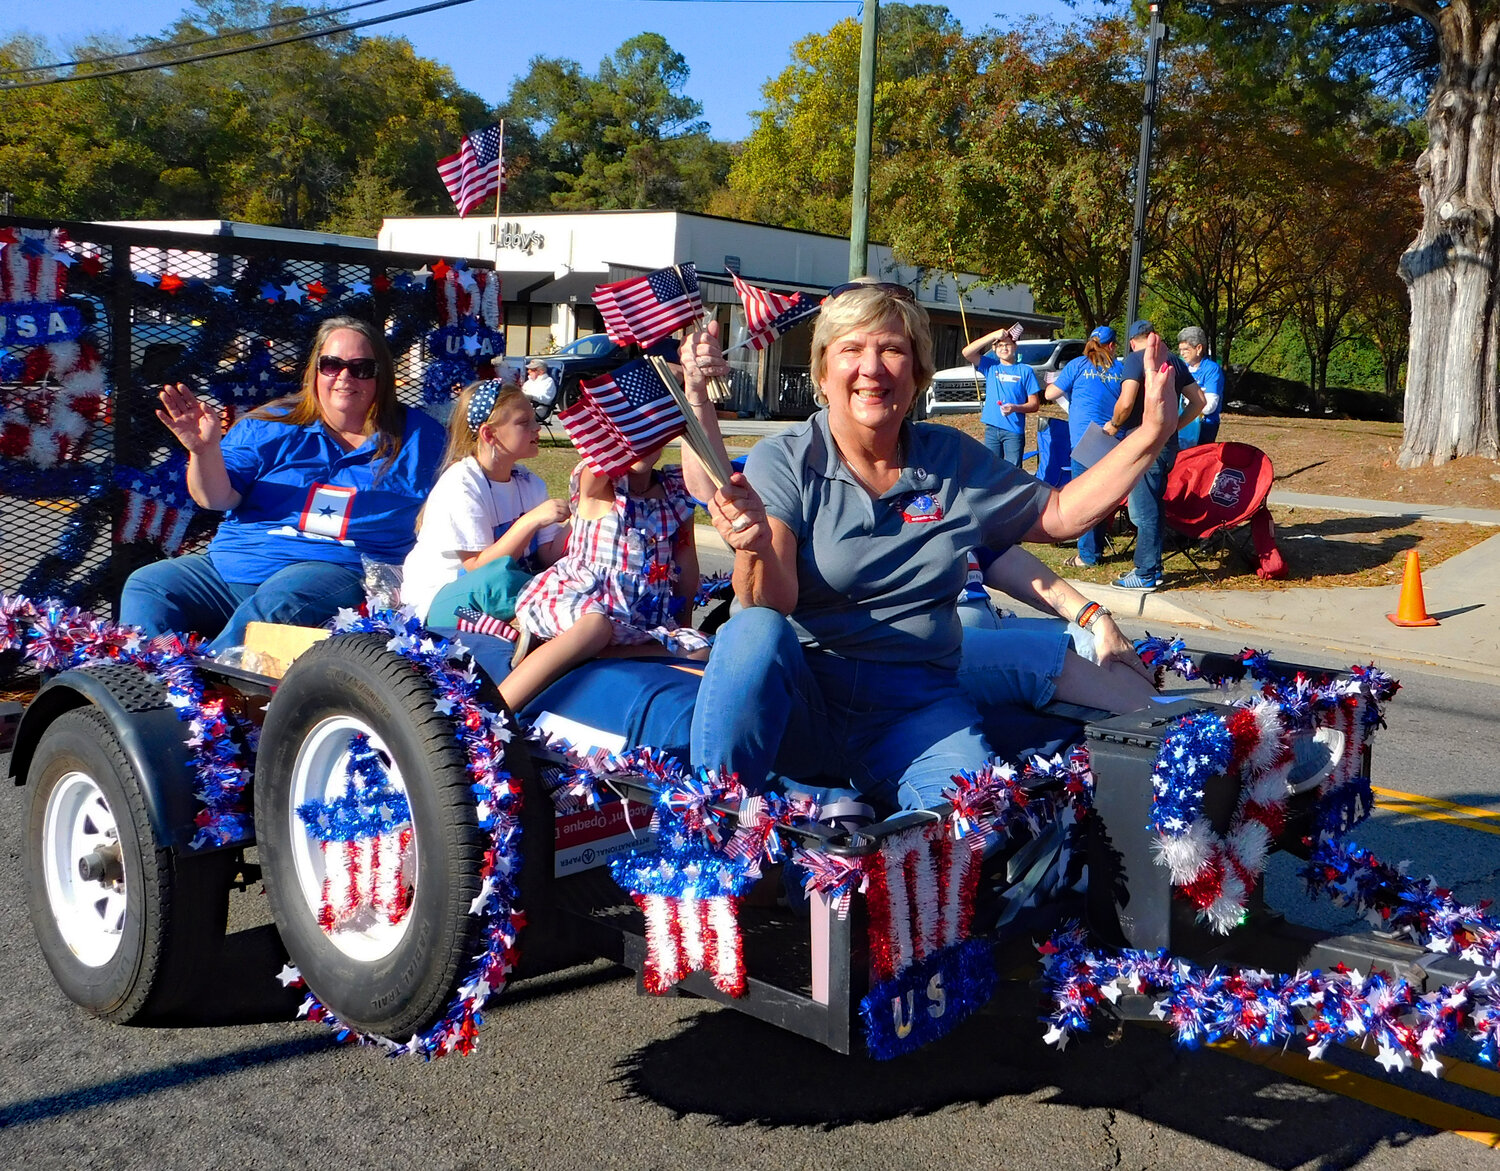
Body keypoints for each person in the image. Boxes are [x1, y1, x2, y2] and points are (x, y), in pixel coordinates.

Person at [685, 282, 1180, 813]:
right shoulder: (784, 458)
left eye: (893, 349)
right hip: (808, 697)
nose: (871, 368)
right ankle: (707, 827)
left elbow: (1060, 515)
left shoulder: (952, 460)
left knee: (970, 828)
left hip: (916, 705)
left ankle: (823, 803)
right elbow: (770, 604)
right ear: (822, 375)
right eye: (851, 349)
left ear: (918, 375)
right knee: (752, 630)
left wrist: (1150, 433)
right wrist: (753, 547)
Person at [119, 316, 445, 651]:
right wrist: (204, 452)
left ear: (381, 376)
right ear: (315, 371)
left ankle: (207, 694)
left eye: (361, 368)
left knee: (281, 598)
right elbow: (215, 498)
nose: (344, 377)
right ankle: (152, 688)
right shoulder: (269, 424)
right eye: (331, 365)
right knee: (149, 584)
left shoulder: (424, 439)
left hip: (336, 571)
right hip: (235, 566)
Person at [505, 424, 711, 714]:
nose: (638, 444)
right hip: (580, 598)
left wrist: (684, 620)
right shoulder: (600, 487)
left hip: (637, 619)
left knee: (699, 650)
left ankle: (590, 656)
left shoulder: (674, 493)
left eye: (650, 435)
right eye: (628, 435)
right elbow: (598, 465)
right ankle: (497, 710)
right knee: (595, 626)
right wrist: (619, 431)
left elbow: (686, 561)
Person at [399, 380, 569, 628]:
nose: (536, 428)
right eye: (524, 422)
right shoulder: (461, 484)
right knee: (501, 582)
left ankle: (528, 627)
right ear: (489, 434)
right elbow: (480, 570)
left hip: (501, 594)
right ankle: (525, 627)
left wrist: (584, 512)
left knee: (567, 578)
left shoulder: (531, 483)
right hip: (443, 603)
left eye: (534, 419)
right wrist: (530, 521)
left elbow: (548, 557)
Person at [956, 545, 1158, 714]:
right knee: (1042, 656)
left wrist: (1098, 620)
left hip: (990, 624)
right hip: (941, 646)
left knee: (1102, 647)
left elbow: (1006, 560)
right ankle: (1170, 737)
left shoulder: (955, 502)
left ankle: (1174, 727)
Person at [1105, 319, 1207, 591]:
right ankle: (1153, 567)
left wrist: (1114, 425)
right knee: (1155, 506)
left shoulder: (1135, 359)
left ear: (1131, 341)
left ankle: (1146, 573)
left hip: (1142, 444)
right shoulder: (1174, 359)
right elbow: (1199, 401)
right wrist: (1172, 425)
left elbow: (1126, 402)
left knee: (1144, 510)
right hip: (1167, 445)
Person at [1049, 326, 1124, 569]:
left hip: (1083, 439)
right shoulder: (1121, 369)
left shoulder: (1078, 364)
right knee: (1103, 496)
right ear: (1112, 345)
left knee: (1085, 498)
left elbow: (1051, 393)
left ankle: (1087, 555)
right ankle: (1096, 547)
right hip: (1112, 438)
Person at [961, 326, 1041, 465]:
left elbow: (1034, 404)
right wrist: (993, 335)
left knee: (1013, 473)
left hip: (1013, 431)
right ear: (995, 349)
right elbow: (967, 352)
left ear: (1015, 347)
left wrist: (1015, 408)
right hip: (992, 429)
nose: (1004, 348)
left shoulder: (1025, 371)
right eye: (1000, 345)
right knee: (991, 470)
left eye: (1008, 345)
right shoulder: (990, 366)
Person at [1175, 326, 1224, 447]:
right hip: (1182, 425)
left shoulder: (1212, 369)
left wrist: (1189, 399)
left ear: (1199, 348)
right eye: (1180, 349)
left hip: (1205, 427)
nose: (1182, 353)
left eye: (1186, 349)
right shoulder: (1182, 368)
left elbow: (1209, 406)